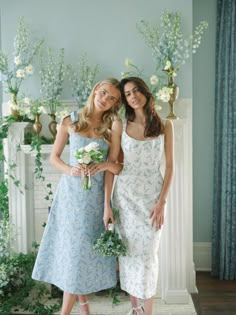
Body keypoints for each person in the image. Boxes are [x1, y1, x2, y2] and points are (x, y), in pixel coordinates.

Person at [32, 78, 123, 315]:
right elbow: (54, 158)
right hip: (70, 197)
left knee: (80, 251)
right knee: (73, 251)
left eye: (112, 98)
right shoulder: (69, 121)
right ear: (95, 90)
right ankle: (78, 309)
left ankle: (78, 308)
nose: (105, 99)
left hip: (94, 201)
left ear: (115, 103)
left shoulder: (112, 124)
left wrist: (107, 204)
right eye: (103, 93)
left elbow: (115, 167)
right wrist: (70, 169)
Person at [104, 77, 174, 315]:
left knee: (148, 256)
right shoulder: (119, 125)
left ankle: (148, 311)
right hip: (125, 197)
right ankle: (136, 310)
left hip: (152, 198)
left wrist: (162, 202)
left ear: (145, 92)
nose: (133, 96)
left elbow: (170, 167)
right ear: (125, 100)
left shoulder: (165, 125)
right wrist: (107, 205)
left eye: (136, 91)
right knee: (130, 255)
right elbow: (113, 164)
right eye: (128, 94)